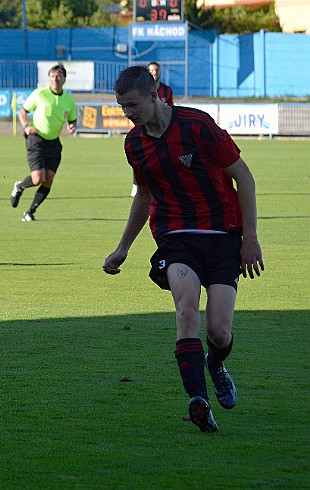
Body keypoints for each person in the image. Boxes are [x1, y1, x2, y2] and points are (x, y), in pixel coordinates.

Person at [103, 65, 264, 433]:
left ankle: (216, 363)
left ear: (152, 94)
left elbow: (244, 176)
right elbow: (144, 195)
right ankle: (199, 402)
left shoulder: (197, 125)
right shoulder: (134, 145)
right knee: (186, 308)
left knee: (219, 332)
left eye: (131, 105)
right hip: (176, 238)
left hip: (223, 234)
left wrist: (250, 238)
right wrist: (123, 247)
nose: (127, 114)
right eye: (121, 107)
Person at [10, 64, 77, 221]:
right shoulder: (39, 94)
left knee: (48, 181)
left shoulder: (69, 100)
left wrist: (72, 126)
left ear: (64, 79)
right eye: (52, 75)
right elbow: (22, 111)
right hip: (36, 140)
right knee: (38, 178)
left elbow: (72, 120)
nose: (55, 78)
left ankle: (30, 212)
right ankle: (19, 186)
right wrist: (26, 126)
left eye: (59, 75)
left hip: (54, 143)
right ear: (49, 78)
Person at [130, 61, 176, 196]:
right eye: (151, 70)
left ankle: (166, 184)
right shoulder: (140, 90)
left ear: (160, 72)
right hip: (146, 129)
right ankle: (136, 184)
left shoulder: (167, 90)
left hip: (163, 129)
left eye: (156, 70)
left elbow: (170, 108)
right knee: (141, 159)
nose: (154, 73)